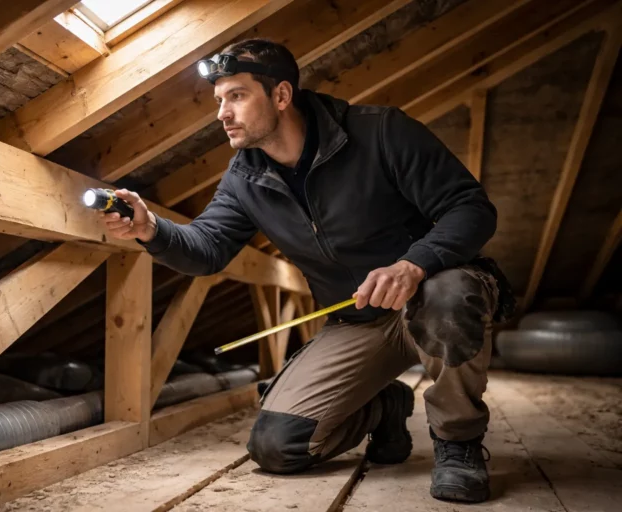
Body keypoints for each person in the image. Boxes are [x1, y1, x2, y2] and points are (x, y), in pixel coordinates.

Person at [99, 38, 515, 504]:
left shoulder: (382, 133)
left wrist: (413, 265)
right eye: (219, 100)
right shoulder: (244, 180)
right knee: (277, 446)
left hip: (430, 294)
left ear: (280, 95)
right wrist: (150, 228)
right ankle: (382, 409)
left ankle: (458, 445)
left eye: (236, 96)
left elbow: (471, 208)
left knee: (451, 293)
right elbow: (207, 249)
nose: (222, 114)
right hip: (359, 317)